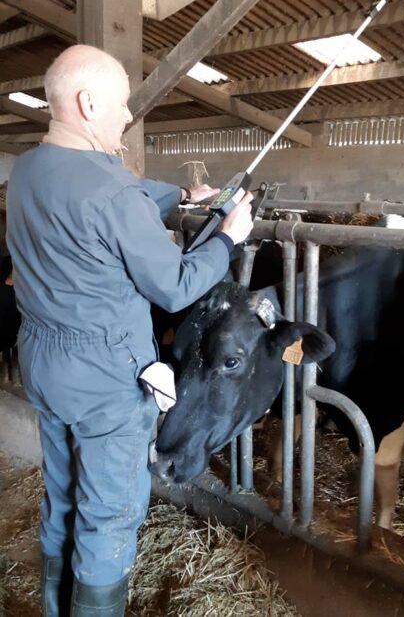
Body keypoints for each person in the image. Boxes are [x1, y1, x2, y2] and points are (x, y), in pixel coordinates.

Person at [6, 44, 253, 616]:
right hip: (105, 377)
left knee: (62, 492)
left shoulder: (29, 168)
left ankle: (53, 605)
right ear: (88, 103)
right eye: (120, 106)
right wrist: (226, 237)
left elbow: (113, 194)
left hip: (43, 361)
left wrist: (184, 197)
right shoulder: (112, 193)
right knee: (108, 514)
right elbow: (174, 286)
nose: (125, 117)